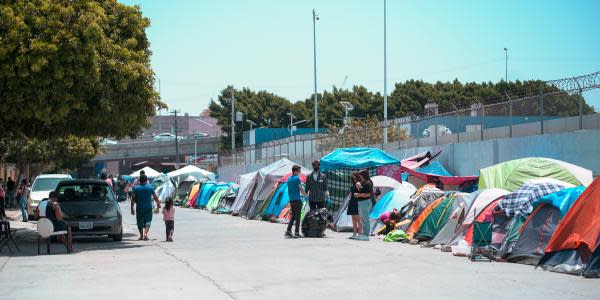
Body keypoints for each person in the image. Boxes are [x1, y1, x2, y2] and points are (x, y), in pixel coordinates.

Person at [131, 174, 161, 240]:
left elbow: (133, 198)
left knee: (139, 221)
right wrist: (158, 203)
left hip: (139, 208)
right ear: (146, 180)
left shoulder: (136, 188)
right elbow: (155, 196)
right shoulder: (150, 187)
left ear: (139, 180)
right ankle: (146, 234)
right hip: (148, 207)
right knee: (148, 220)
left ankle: (141, 235)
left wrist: (132, 208)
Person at [285, 165, 307, 238]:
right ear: (295, 171)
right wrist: (306, 195)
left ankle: (288, 231)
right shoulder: (297, 179)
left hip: (291, 200)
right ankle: (296, 232)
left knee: (293, 216)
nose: (300, 172)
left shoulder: (289, 179)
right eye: (299, 171)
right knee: (298, 216)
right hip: (297, 200)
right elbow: (300, 188)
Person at [353, 170, 374, 241]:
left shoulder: (368, 183)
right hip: (362, 202)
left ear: (363, 175)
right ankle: (364, 234)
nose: (359, 176)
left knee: (365, 219)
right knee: (362, 219)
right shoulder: (365, 182)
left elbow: (368, 194)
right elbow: (363, 191)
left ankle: (366, 235)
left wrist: (358, 195)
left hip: (365, 202)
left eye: (360, 175)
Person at [347, 172, 362, 239]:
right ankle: (354, 234)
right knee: (354, 219)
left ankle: (360, 234)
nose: (352, 178)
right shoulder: (353, 184)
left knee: (358, 219)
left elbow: (361, 192)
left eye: (354, 177)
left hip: (357, 202)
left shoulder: (358, 183)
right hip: (352, 202)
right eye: (352, 177)